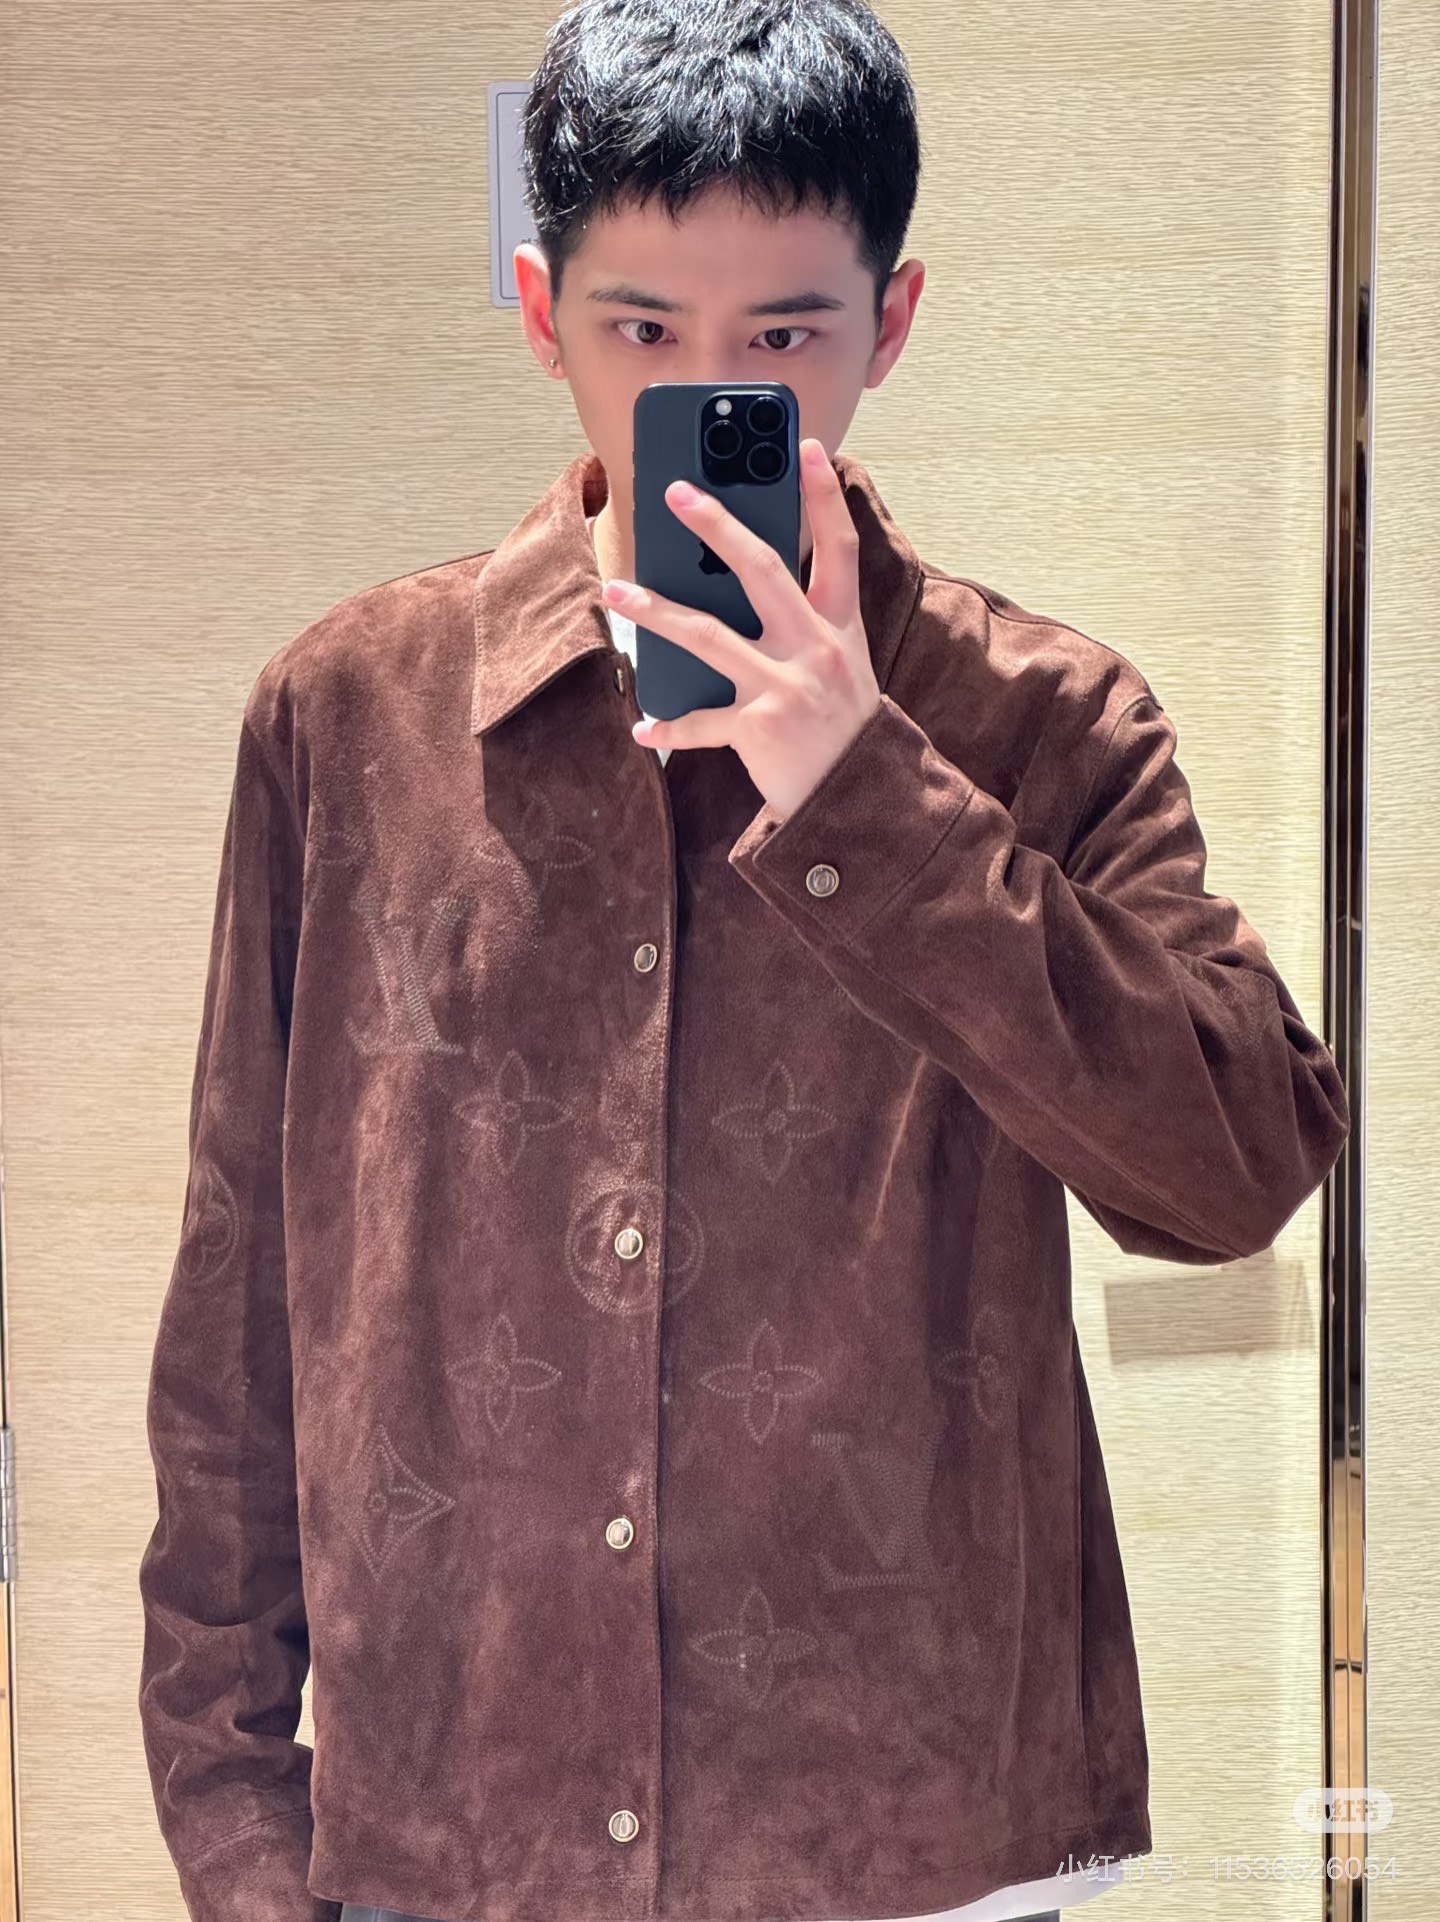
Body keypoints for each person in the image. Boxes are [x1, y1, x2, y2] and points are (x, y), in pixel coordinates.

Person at [137, 4, 1351, 1922]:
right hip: (456, 1844)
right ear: (540, 312)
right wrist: (235, 1830)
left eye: (783, 339)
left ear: (893, 320)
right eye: (643, 330)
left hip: (919, 1847)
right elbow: (240, 1308)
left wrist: (868, 791)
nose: (711, 393)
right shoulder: (348, 720)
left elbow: (1236, 1166)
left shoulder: (1045, 724)